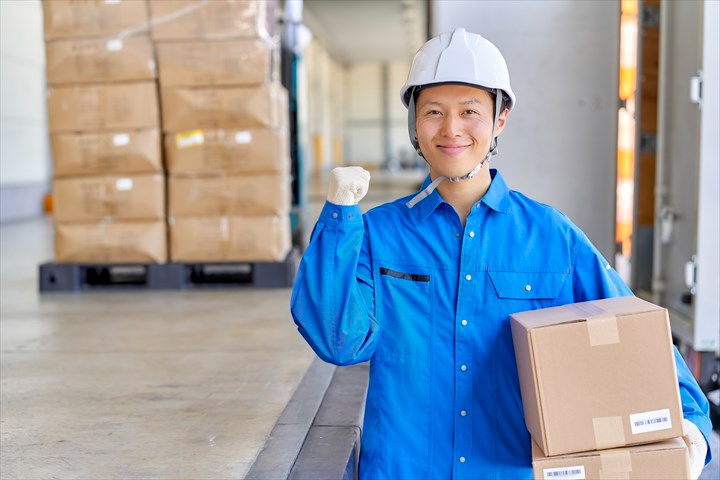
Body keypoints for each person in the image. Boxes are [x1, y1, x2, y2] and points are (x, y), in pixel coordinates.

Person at [290, 28, 712, 480]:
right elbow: (339, 342)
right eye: (433, 112)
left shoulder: (550, 237)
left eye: (469, 111)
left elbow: (632, 333)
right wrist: (339, 218)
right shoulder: (379, 234)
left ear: (500, 119)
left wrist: (690, 424)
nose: (450, 129)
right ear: (414, 122)